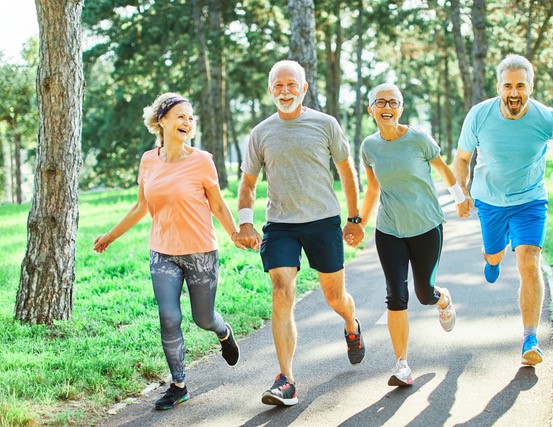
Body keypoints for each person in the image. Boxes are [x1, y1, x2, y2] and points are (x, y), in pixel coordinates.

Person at [93, 92, 244, 410]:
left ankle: (223, 331)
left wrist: (234, 233)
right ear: (161, 120)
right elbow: (140, 207)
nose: (188, 122)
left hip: (201, 252)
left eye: (191, 118)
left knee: (203, 319)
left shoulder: (202, 160)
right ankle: (179, 384)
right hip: (162, 253)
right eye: (181, 116)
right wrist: (110, 236)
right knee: (169, 317)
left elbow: (216, 203)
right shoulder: (148, 160)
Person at [236, 60, 365, 406]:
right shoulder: (261, 133)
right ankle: (286, 380)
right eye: (277, 85)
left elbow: (346, 170)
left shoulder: (325, 124)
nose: (284, 91)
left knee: (335, 298)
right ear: (269, 91)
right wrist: (245, 221)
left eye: (291, 84)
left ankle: (351, 323)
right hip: (280, 225)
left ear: (304, 88)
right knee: (281, 291)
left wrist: (354, 217)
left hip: (323, 221)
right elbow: (247, 182)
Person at [453, 54, 553, 367]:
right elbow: (462, 158)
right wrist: (460, 192)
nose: (514, 92)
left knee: (528, 258)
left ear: (530, 87)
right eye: (508, 85)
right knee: (494, 255)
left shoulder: (545, 117)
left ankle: (530, 338)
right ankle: (490, 258)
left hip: (530, 201)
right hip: (490, 201)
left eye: (521, 85)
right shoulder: (480, 115)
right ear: (499, 87)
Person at [358, 83, 466, 387]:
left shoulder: (418, 138)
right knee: (396, 295)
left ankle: (442, 299)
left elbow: (444, 170)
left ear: (401, 108)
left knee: (423, 293)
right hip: (389, 229)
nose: (387, 107)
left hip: (426, 226)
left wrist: (459, 197)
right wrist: (359, 222)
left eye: (393, 102)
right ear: (372, 109)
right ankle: (402, 365)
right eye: (380, 102)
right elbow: (373, 188)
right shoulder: (369, 146)